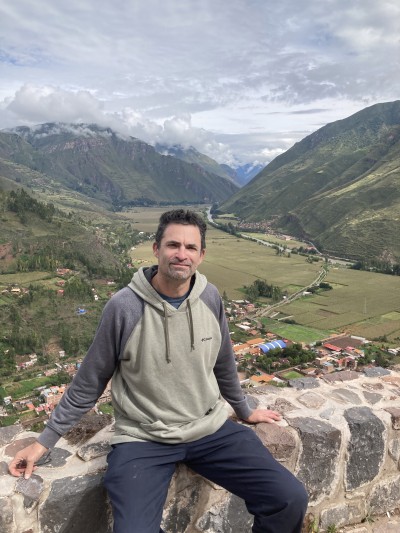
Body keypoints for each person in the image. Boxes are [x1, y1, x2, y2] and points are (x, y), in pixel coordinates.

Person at [9, 209, 308, 532]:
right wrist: (44, 441)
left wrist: (244, 410)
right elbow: (90, 381)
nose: (182, 254)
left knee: (289, 497)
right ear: (156, 249)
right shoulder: (125, 307)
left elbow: (223, 362)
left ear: (202, 255)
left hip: (209, 429)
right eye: (173, 245)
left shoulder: (209, 297)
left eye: (191, 247)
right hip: (144, 438)